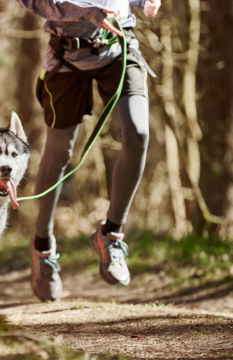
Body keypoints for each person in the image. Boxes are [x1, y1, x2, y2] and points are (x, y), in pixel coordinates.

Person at [16, 0, 161, 302]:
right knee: (59, 153)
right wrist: (89, 13)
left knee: (138, 134)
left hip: (118, 49)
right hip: (66, 57)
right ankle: (42, 247)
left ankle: (111, 235)